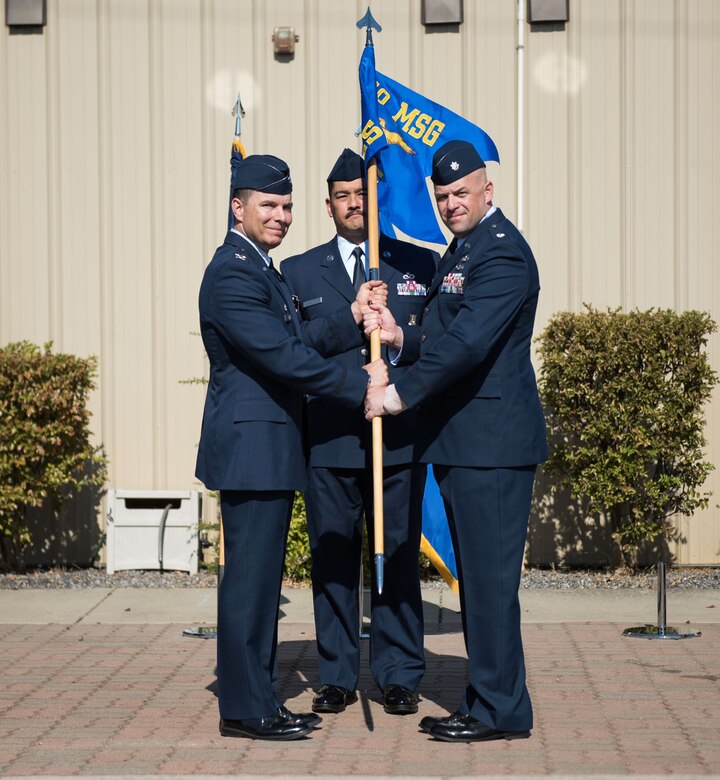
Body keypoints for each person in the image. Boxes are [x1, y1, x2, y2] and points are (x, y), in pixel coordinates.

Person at [195, 153, 388, 741]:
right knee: (249, 588)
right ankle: (247, 708)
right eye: (269, 206)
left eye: (286, 207)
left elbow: (296, 336)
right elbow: (281, 356)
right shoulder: (232, 272)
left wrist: (349, 319)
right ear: (238, 206)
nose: (280, 216)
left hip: (269, 450)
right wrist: (362, 385)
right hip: (253, 451)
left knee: (258, 587)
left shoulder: (258, 266)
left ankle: (256, 698)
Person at [364, 139, 548, 743]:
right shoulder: (464, 250)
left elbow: (468, 345)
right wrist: (399, 337)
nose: (449, 204)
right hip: (468, 443)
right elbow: (445, 334)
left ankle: (498, 710)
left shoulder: (502, 255)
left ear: (487, 190)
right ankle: (491, 698)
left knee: (490, 585)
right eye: (441, 196)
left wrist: (400, 392)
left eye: (460, 192)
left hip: (491, 446)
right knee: (481, 582)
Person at [281, 149, 437, 717]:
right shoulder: (298, 271)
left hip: (396, 439)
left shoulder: (415, 265)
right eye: (344, 195)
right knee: (334, 560)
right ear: (328, 205)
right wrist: (346, 319)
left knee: (395, 556)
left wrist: (394, 356)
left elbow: (435, 347)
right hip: (330, 440)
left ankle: (398, 673)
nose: (354, 203)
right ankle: (339, 675)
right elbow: (292, 350)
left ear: (378, 199)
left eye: (363, 193)